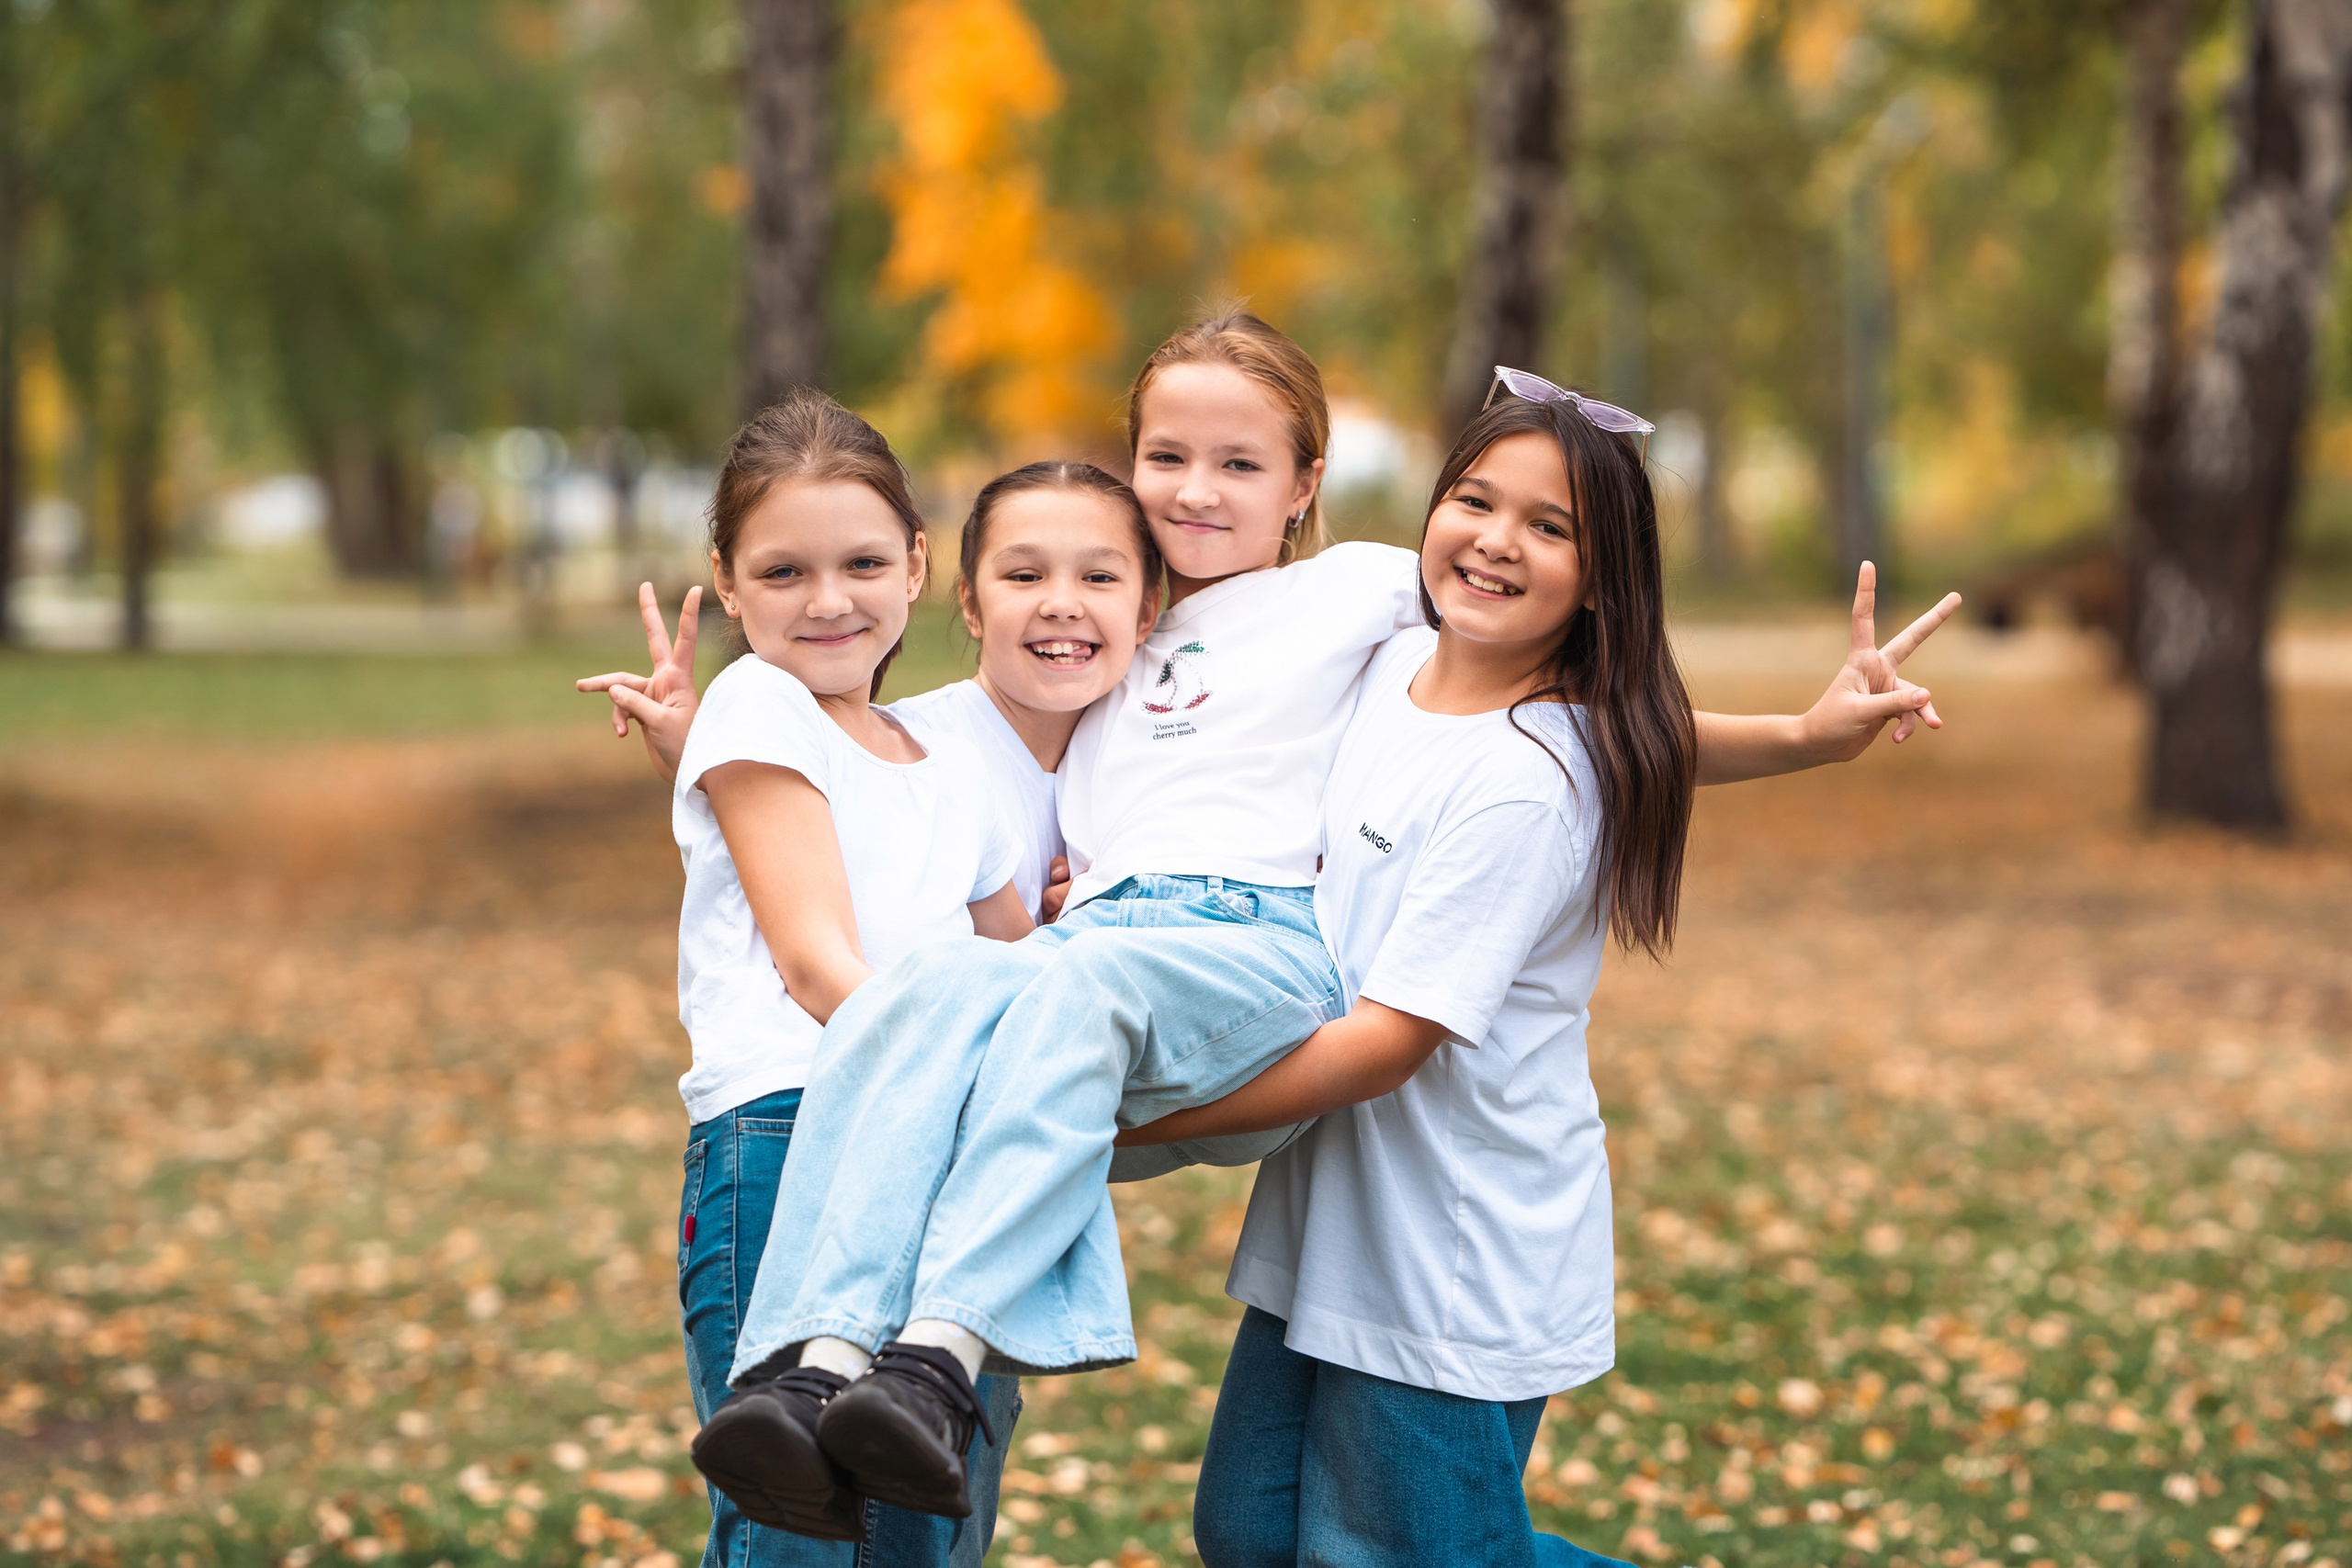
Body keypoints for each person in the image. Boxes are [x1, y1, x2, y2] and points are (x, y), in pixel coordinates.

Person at [693, 312, 1959, 1534]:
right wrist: (728, 738)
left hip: (1244, 952)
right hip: (1115, 955)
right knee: (930, 995)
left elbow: (1591, 706)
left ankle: (940, 1358)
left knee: (1042, 1007)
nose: (1196, 489)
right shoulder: (1110, 632)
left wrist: (1800, 735)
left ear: (1305, 482)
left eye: (1239, 463)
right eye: (1168, 457)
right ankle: (814, 1365)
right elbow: (901, 792)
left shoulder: (1360, 595)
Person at [1124, 383, 1948, 1567]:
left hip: (1447, 1244)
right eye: (1474, 499)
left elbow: (1388, 1044)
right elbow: (1649, 730)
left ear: (1603, 577)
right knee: (1251, 1532)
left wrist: (1145, 1127)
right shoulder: (1390, 662)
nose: (1498, 539)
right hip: (1337, 1214)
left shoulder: (1528, 782)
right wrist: (1805, 736)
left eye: (1551, 527)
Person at [576, 400, 1159, 1563]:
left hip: (934, 1170)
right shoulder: (759, 703)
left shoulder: (940, 758)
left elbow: (1014, 962)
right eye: (783, 571)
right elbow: (812, 963)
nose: (828, 599)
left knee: (926, 1521)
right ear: (728, 586)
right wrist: (979, 1071)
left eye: (862, 563)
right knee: (801, 1529)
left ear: (918, 564)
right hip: (793, 1141)